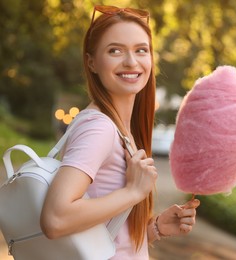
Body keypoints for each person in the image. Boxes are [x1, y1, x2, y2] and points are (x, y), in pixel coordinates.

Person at [40, 5, 200, 259]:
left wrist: (155, 227)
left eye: (141, 50)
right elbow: (55, 219)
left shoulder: (119, 128)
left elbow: (102, 237)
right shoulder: (100, 128)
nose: (131, 61)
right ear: (91, 62)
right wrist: (133, 192)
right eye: (115, 50)